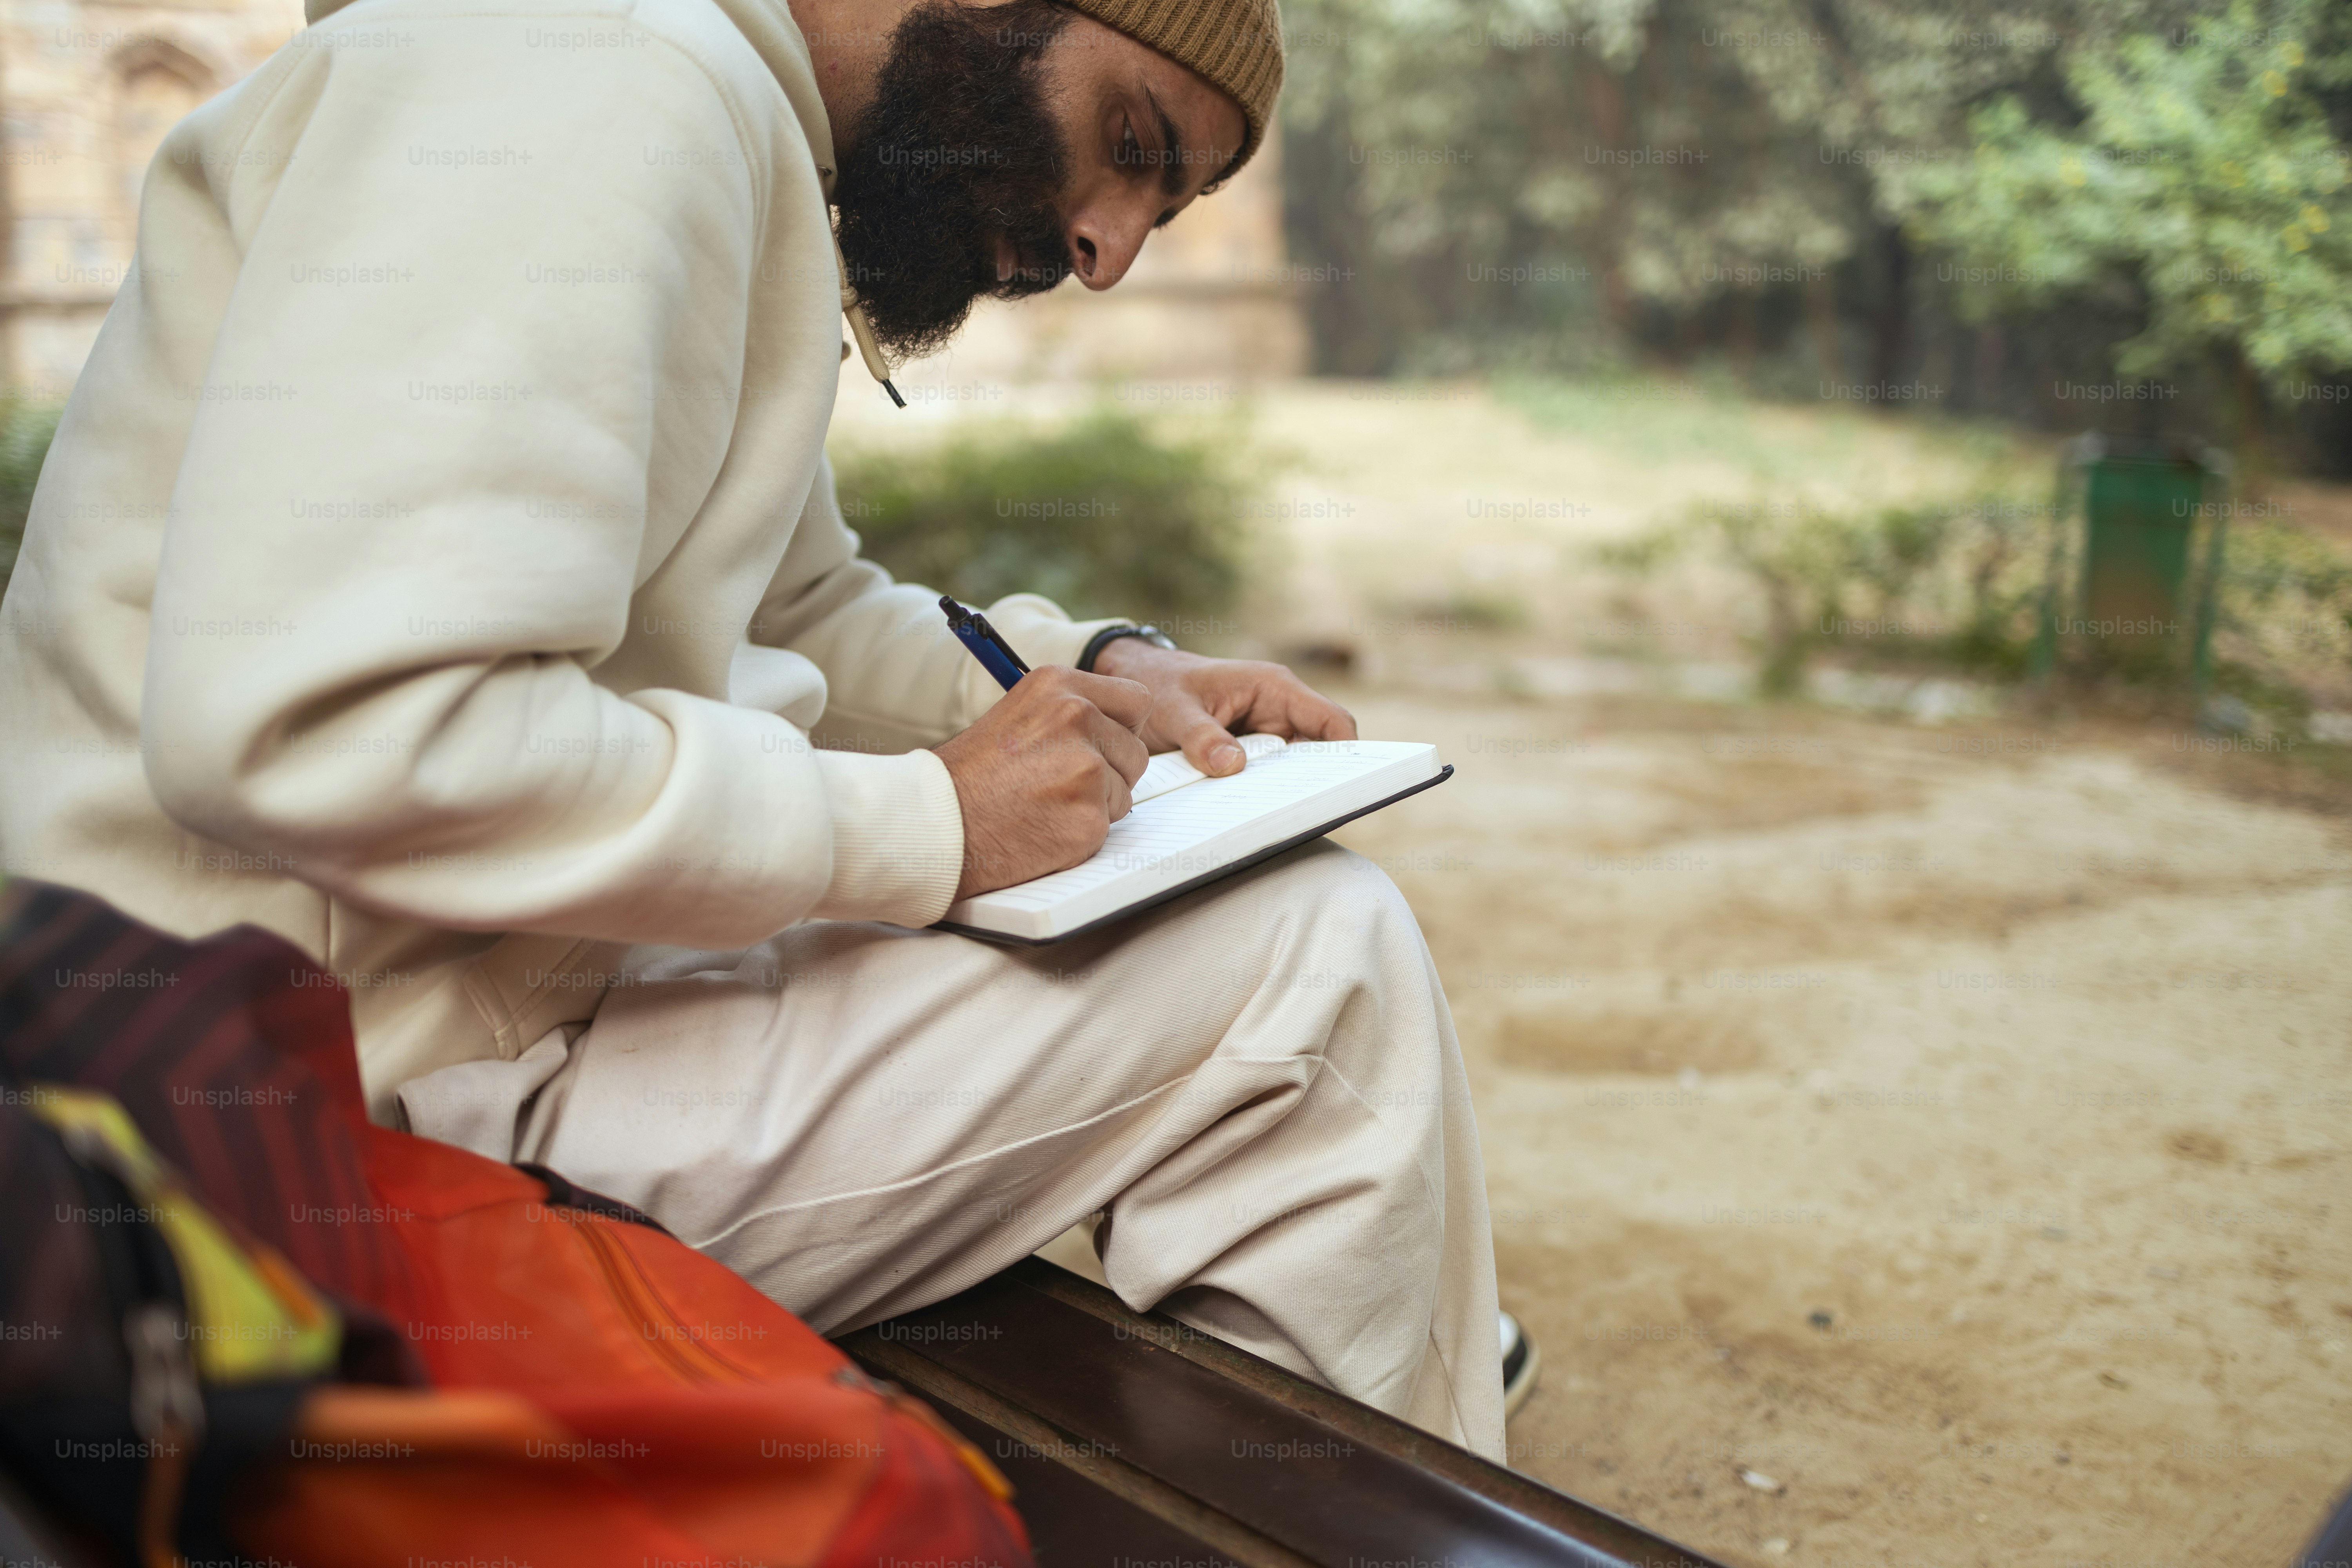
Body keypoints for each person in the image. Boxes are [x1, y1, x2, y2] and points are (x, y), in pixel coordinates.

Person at [0, 0, 1514, 1456]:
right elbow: (327, 727)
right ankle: (1326, 1503)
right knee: (1314, 965)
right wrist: (930, 827)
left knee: (1285, 933)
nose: (1106, 250)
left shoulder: (689, 94)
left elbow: (790, 614)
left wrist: (1104, 673)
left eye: (1159, 215)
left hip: (391, 1018)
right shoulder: (595, 86)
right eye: (1133, 145)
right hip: (280, 1137)